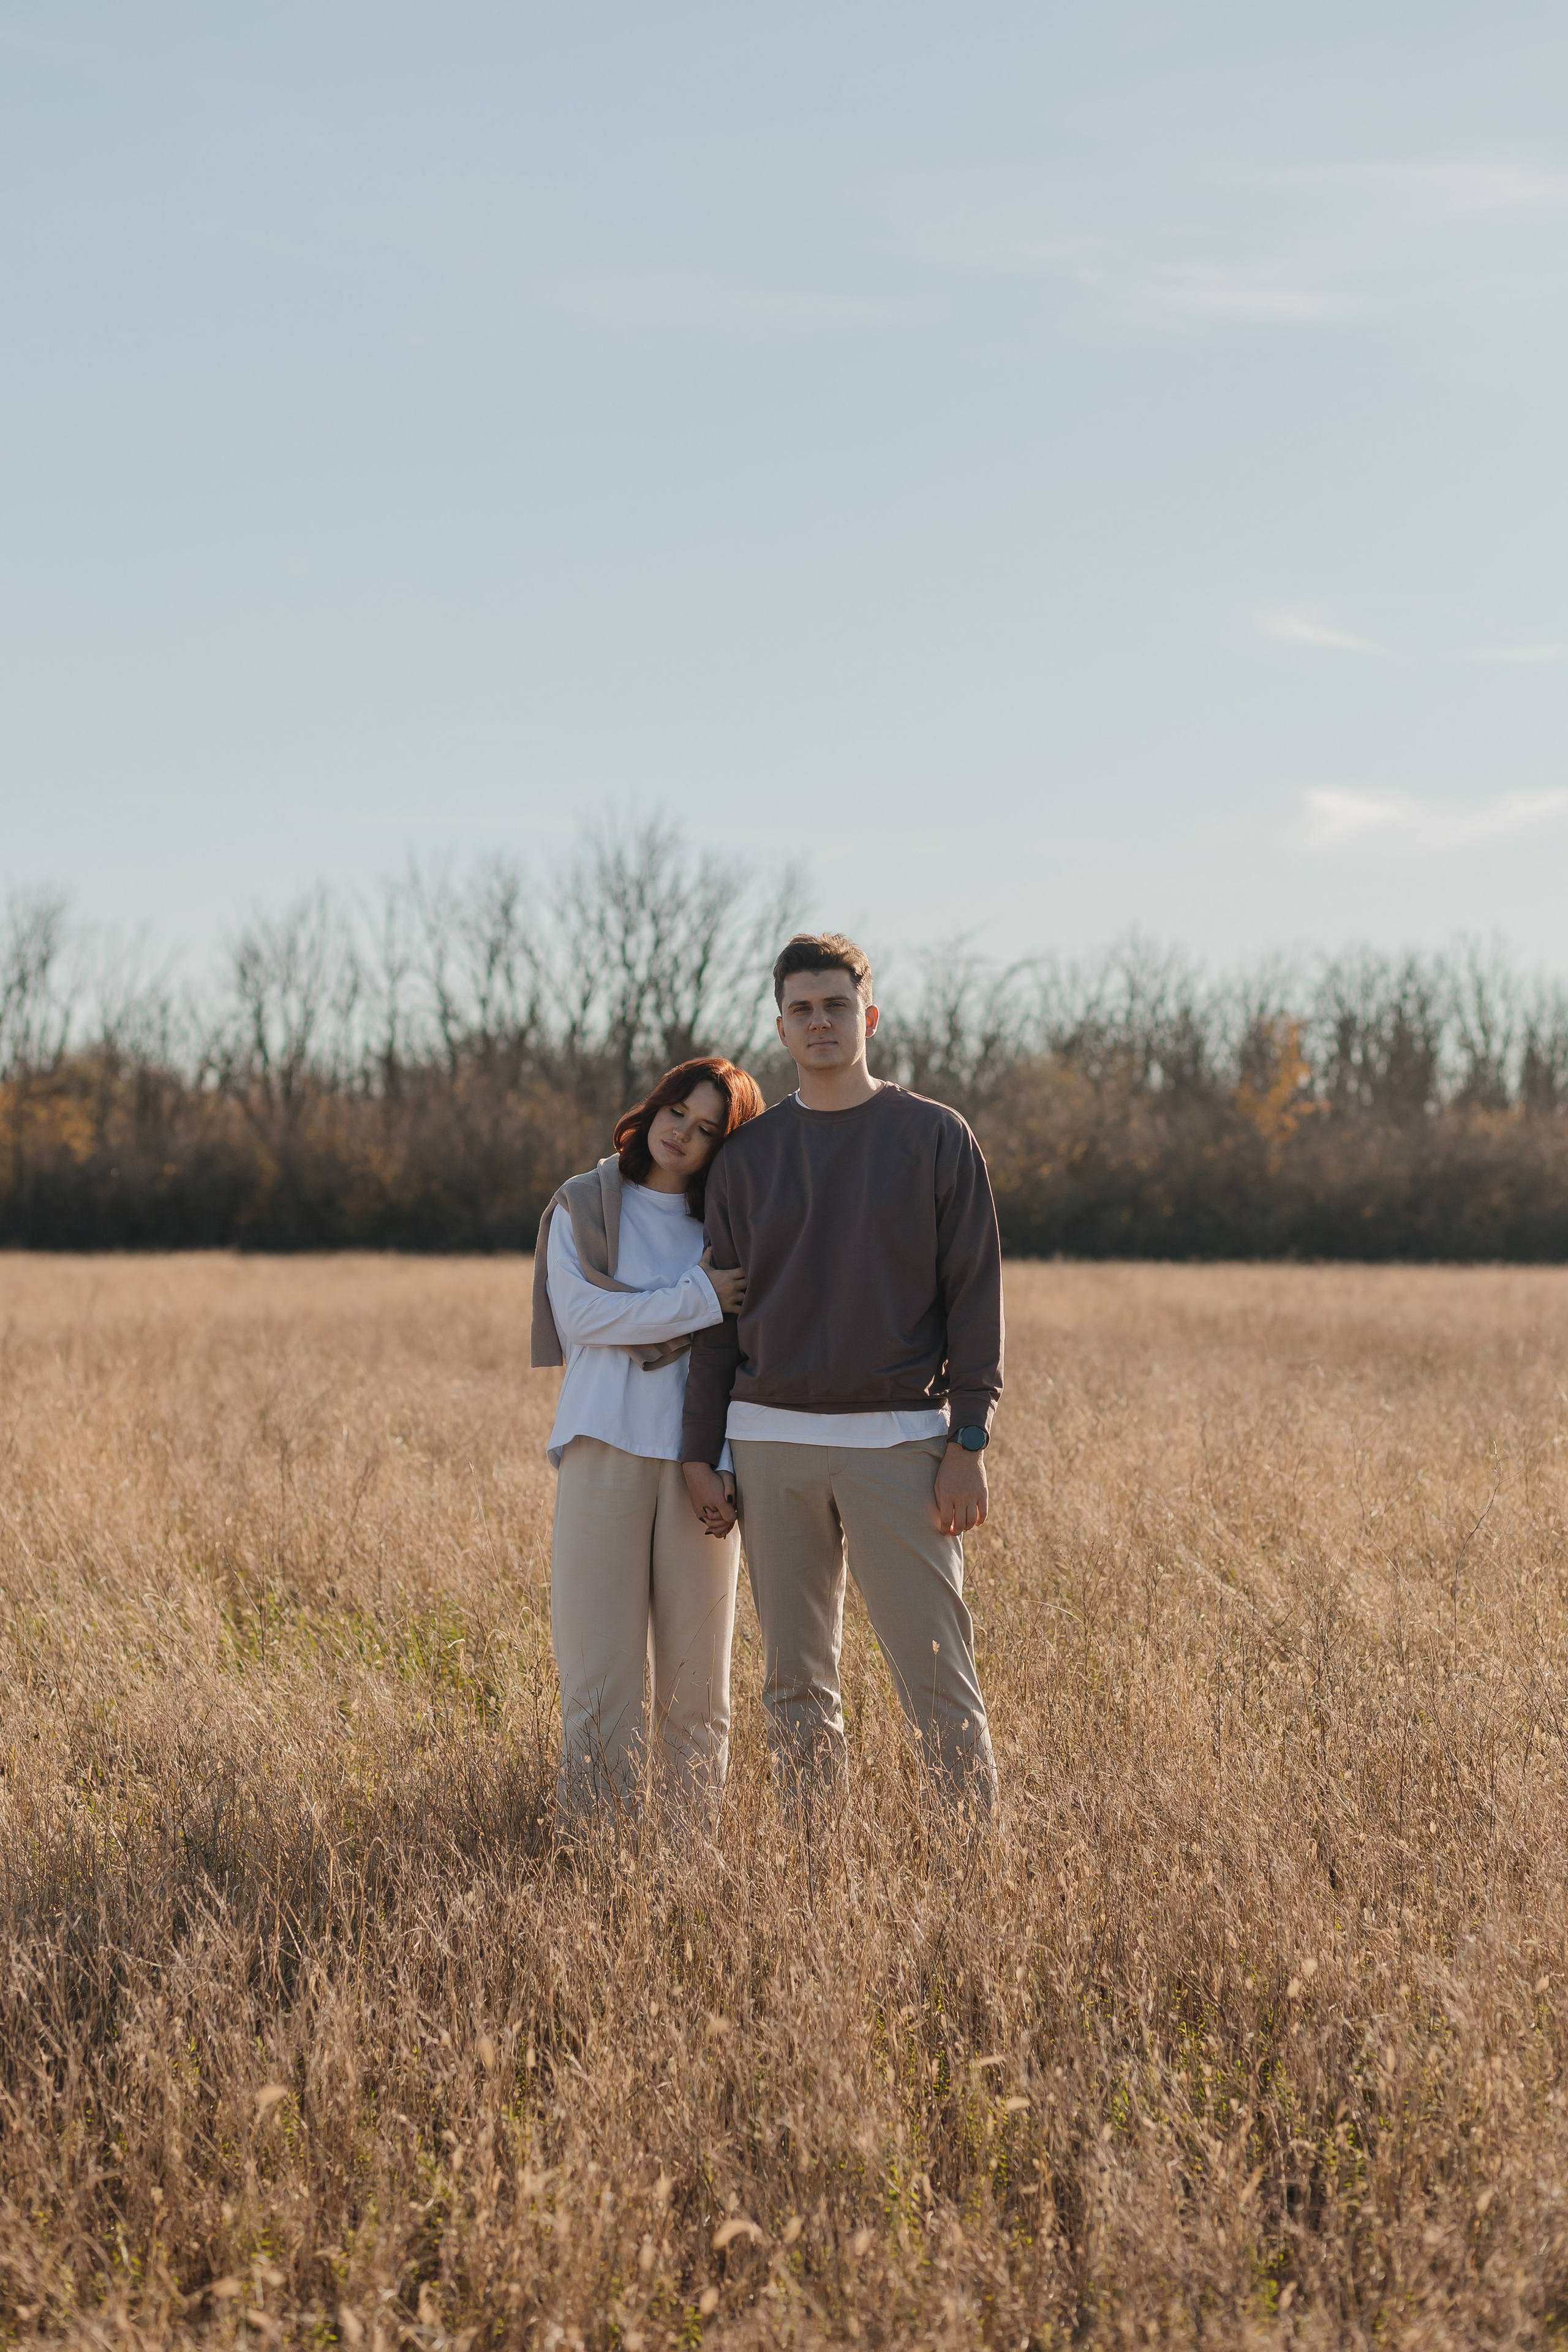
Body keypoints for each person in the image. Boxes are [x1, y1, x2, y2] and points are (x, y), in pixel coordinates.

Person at [681, 934, 1003, 1812]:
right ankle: (818, 1884)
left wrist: (969, 1439)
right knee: (794, 1687)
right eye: (801, 1010)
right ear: (780, 1028)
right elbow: (719, 1323)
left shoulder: (935, 1137)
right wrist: (699, 1450)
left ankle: (977, 1877)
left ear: (868, 1015)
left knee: (939, 1679)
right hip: (770, 1442)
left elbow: (975, 1297)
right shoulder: (745, 1160)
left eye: (835, 1006)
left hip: (900, 1442)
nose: (819, 1022)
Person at [532, 1055, 765, 1820]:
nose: (682, 1135)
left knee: (700, 1686)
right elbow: (585, 1321)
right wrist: (698, 1297)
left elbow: (741, 1351)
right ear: (655, 1106)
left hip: (701, 1463)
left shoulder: (726, 1223)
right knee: (599, 1679)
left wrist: (723, 1464)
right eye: (677, 1113)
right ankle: (596, 1857)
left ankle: (689, 1862)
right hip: (604, 1445)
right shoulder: (588, 1203)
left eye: (706, 1131)